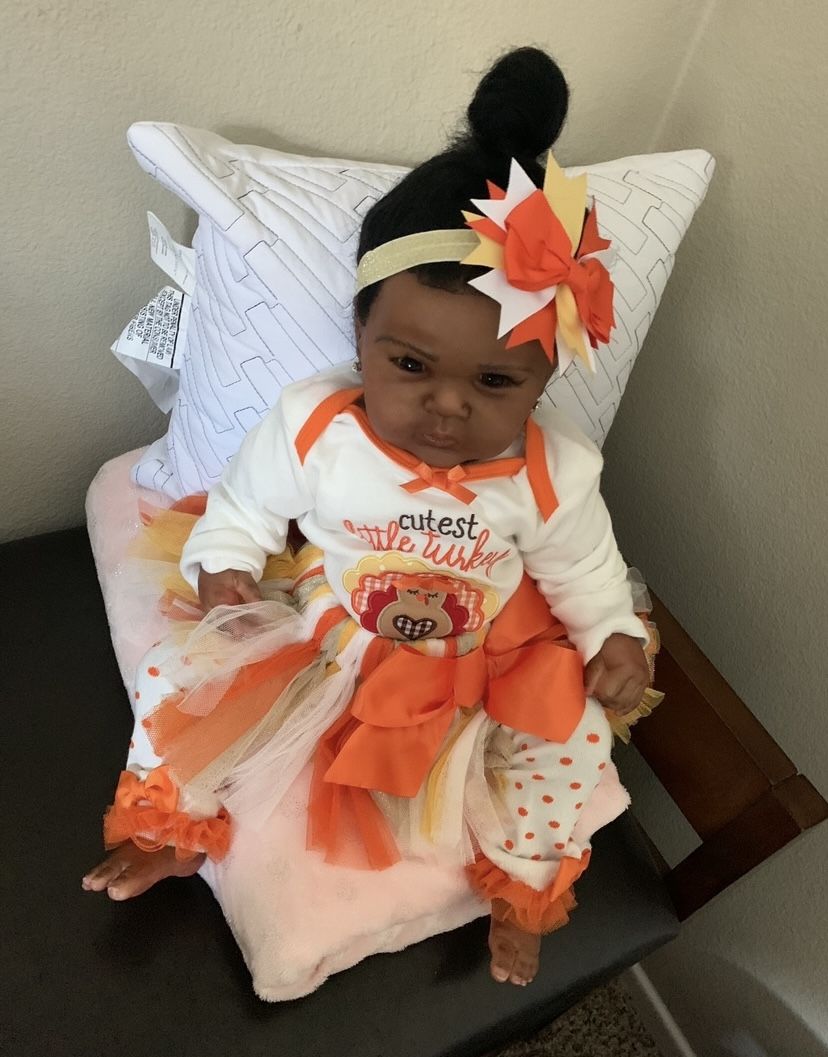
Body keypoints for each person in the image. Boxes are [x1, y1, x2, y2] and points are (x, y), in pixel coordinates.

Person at [83, 47, 657, 988]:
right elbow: (246, 502)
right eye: (410, 365)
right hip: (333, 628)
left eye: (496, 381)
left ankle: (522, 883)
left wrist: (612, 633)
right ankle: (173, 825)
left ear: (545, 377)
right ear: (362, 339)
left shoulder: (553, 469)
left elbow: (584, 567)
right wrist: (226, 560)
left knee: (577, 738)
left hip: (478, 655)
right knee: (179, 672)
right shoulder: (318, 426)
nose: (447, 407)